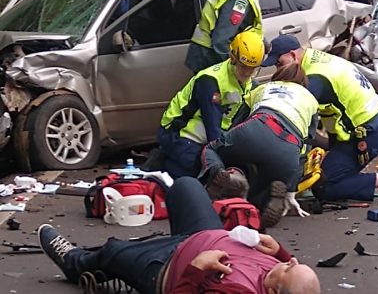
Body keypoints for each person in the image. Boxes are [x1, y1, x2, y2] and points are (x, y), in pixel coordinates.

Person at [38, 177, 321, 294]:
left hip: (168, 267)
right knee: (186, 186)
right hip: (203, 235)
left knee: (113, 251)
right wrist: (279, 251)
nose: (290, 261)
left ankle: (75, 263)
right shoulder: (282, 269)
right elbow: (291, 266)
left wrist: (198, 267)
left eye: (286, 267)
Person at [261, 34, 378, 205]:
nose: (277, 69)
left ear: (292, 55)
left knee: (324, 186)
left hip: (367, 132)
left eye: (279, 63)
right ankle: (351, 179)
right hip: (368, 122)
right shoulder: (316, 58)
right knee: (329, 171)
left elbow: (296, 118)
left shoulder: (315, 79)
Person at [200, 63, 319, 228]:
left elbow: (237, 122)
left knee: (212, 149)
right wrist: (291, 190)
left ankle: (224, 174)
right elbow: (305, 149)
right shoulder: (311, 100)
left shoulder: (264, 88)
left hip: (260, 124)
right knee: (265, 184)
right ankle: (259, 207)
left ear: (278, 77)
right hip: (290, 148)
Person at [159, 32, 264, 179]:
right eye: (243, 66)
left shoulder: (250, 84)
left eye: (252, 69)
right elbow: (212, 127)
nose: (247, 73)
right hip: (178, 132)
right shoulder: (210, 81)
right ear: (232, 58)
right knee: (194, 172)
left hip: (208, 133)